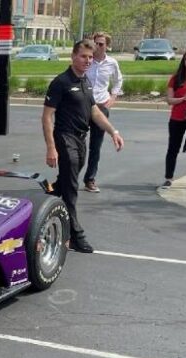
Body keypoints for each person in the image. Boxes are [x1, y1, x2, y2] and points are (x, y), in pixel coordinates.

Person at [42, 39, 124, 253]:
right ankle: (75, 235)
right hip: (65, 138)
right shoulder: (61, 82)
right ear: (73, 56)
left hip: (80, 138)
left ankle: (44, 196)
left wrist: (112, 131)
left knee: (66, 180)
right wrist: (51, 147)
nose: (87, 60)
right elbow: (47, 116)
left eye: (90, 57)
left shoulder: (86, 81)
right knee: (71, 188)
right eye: (83, 56)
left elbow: (94, 111)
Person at [83, 31, 123, 193]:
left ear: (107, 46)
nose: (98, 46)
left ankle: (90, 179)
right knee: (77, 144)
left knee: (95, 146)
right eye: (96, 43)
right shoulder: (87, 60)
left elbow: (118, 80)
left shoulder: (112, 63)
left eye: (101, 44)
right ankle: (67, 178)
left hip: (101, 106)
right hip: (84, 106)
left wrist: (112, 98)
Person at [162, 53, 186, 189]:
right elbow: (169, 100)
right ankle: (168, 177)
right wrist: (182, 99)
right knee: (173, 149)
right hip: (177, 119)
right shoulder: (176, 79)